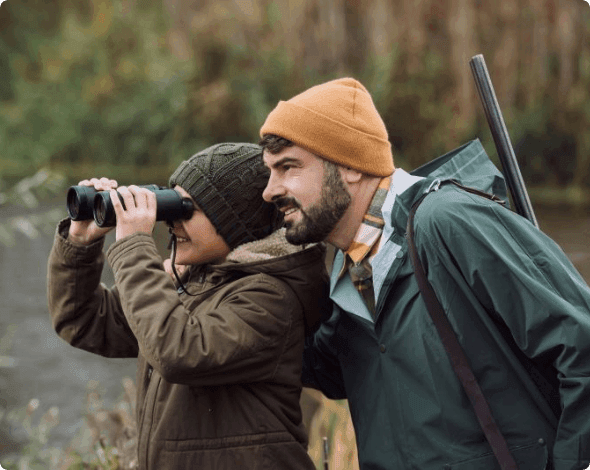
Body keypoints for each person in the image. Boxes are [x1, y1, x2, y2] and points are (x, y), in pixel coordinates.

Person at [258, 77, 590, 470]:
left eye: (288, 168)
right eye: (269, 172)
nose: (270, 190)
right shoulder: (347, 271)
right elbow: (317, 370)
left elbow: (580, 343)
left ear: (347, 165)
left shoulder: (446, 222)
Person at [47, 143, 330, 470]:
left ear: (236, 223)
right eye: (171, 204)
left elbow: (179, 351)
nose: (171, 221)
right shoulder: (196, 283)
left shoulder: (272, 297)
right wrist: (82, 242)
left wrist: (135, 248)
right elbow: (82, 321)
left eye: (186, 209)